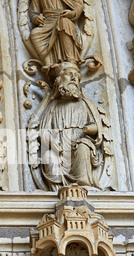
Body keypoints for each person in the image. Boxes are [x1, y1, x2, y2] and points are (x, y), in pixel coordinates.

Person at [38, 62, 114, 191]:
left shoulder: (84, 104)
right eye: (69, 75)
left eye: (77, 77)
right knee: (49, 156)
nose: (74, 78)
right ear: (59, 81)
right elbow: (43, 131)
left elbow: (96, 127)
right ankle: (57, 188)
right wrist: (52, 143)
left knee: (84, 147)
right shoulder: (52, 106)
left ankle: (83, 184)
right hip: (59, 148)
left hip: (78, 144)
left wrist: (86, 129)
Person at [29, 0, 84, 65]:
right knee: (34, 33)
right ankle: (49, 63)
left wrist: (72, 13)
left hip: (62, 17)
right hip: (47, 22)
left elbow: (78, 5)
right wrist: (36, 18)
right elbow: (33, 13)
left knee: (64, 24)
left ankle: (70, 58)